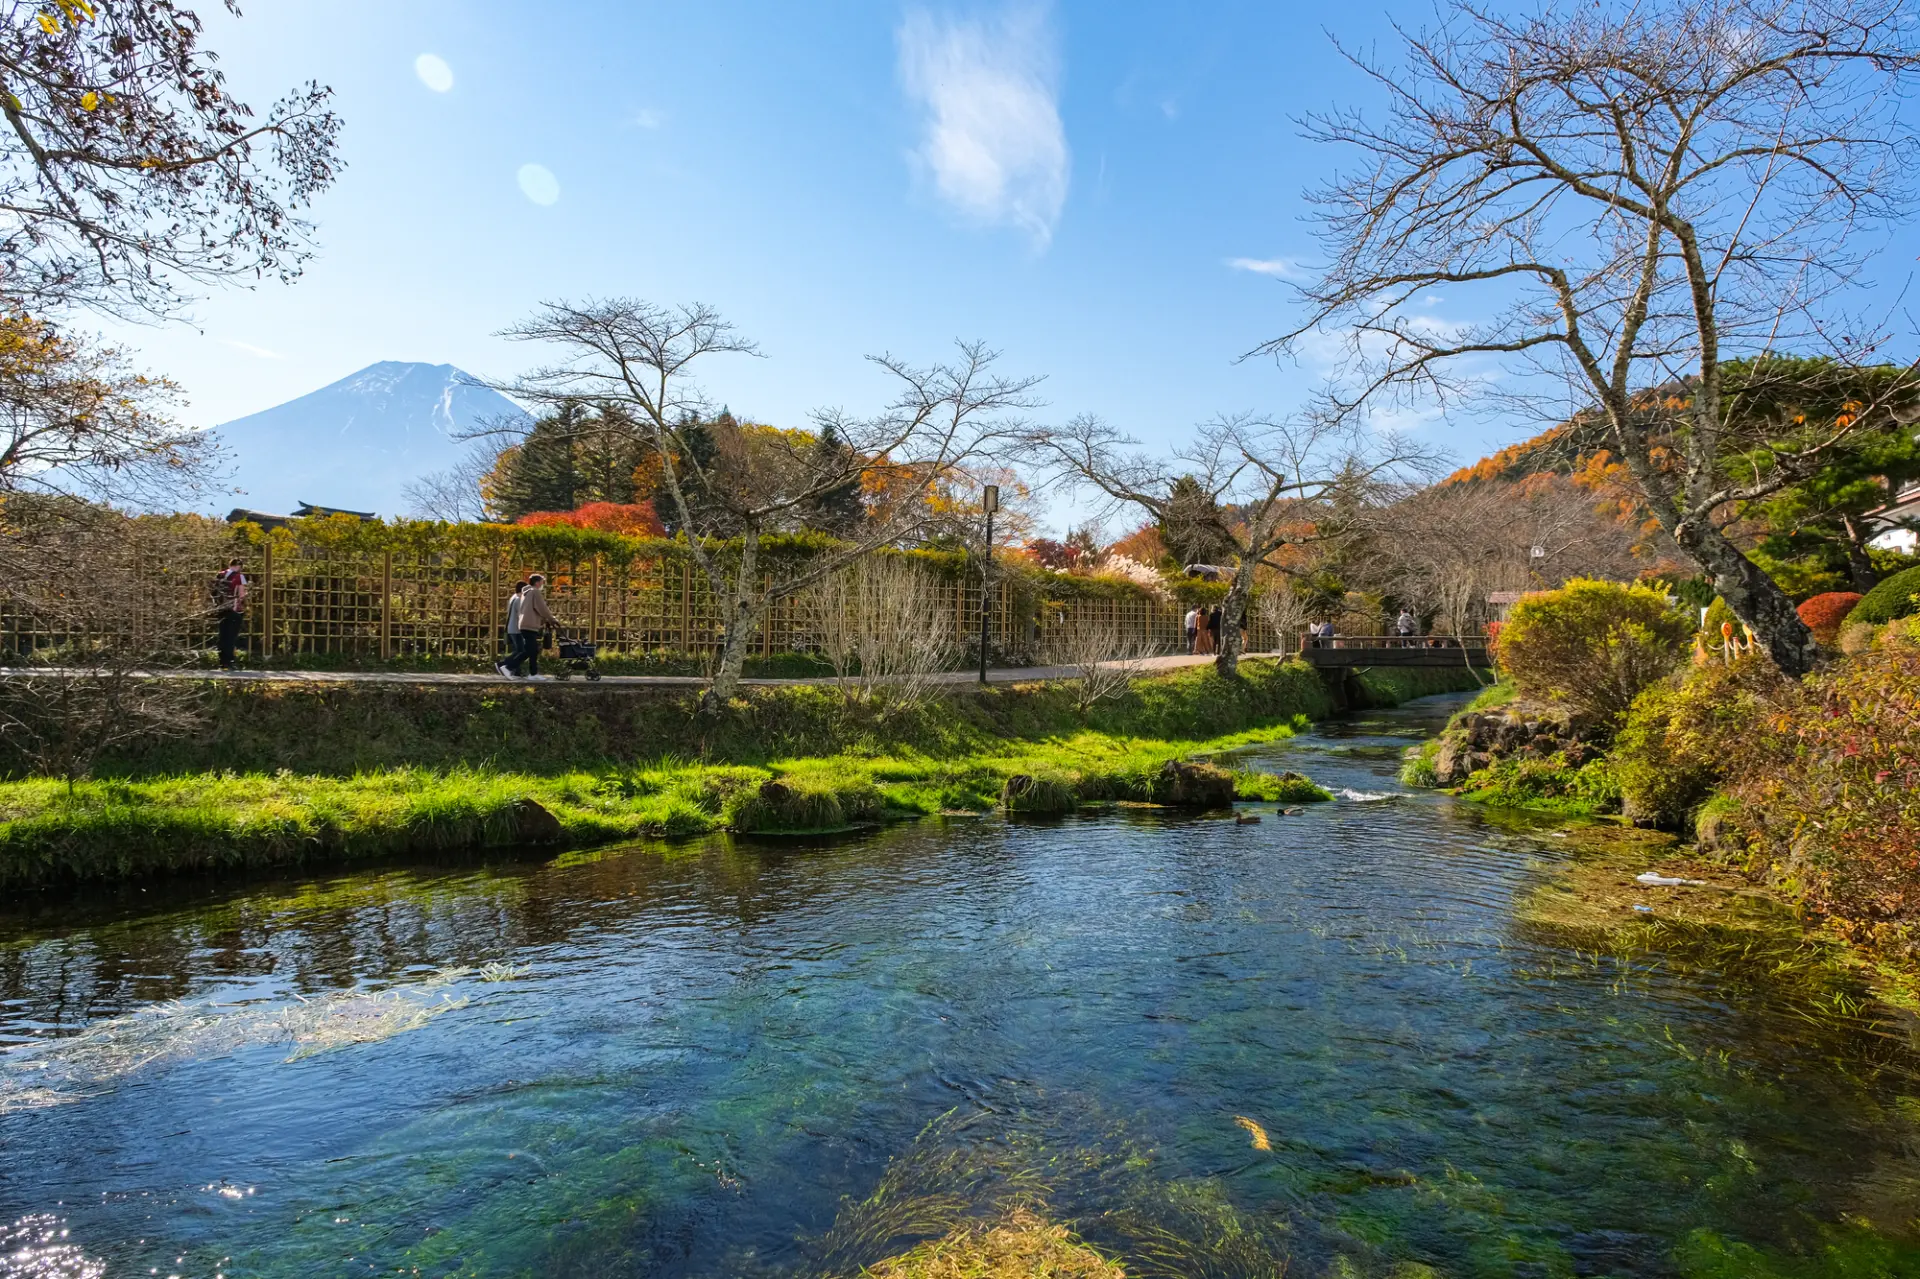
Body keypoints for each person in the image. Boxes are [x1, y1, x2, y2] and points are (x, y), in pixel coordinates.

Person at [506, 572, 561, 678]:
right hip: (530, 624)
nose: (542, 584)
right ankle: (509, 666)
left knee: (532, 650)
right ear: (537, 582)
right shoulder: (535, 592)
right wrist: (552, 619)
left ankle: (532, 672)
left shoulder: (525, 593)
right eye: (541, 582)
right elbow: (542, 608)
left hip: (524, 624)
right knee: (531, 650)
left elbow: (533, 609)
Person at [212, 557, 248, 670]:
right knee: (231, 636)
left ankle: (222, 662)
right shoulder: (239, 576)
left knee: (222, 635)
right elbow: (242, 594)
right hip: (233, 609)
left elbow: (213, 591)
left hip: (221, 609)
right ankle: (230, 661)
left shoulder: (220, 575)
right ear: (239, 566)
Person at [497, 580, 528, 678]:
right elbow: (521, 615)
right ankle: (503, 665)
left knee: (517, 650)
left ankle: (517, 672)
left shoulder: (513, 597)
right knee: (522, 651)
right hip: (517, 629)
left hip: (511, 627)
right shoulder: (519, 599)